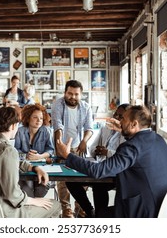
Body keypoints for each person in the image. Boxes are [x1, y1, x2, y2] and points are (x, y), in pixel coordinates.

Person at [56, 105, 167, 218]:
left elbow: (98, 171)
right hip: (164, 207)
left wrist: (68, 155)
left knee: (101, 215)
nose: (120, 122)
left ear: (134, 124)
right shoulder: (158, 139)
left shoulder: (131, 147)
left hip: (143, 211)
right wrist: (122, 130)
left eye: (123, 119)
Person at [0, 107, 61, 218]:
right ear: (13, 126)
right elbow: (13, 195)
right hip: (7, 210)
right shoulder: (7, 150)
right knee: (55, 205)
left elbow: (9, 161)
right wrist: (34, 201)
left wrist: (33, 168)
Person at [65, 103, 129, 217]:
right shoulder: (106, 128)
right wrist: (97, 150)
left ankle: (100, 216)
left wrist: (106, 152)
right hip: (99, 165)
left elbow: (123, 156)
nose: (116, 118)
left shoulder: (127, 135)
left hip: (115, 172)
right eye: (116, 114)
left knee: (99, 185)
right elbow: (93, 147)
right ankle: (90, 211)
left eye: (120, 116)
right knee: (71, 181)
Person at [51, 80, 94, 218]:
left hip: (78, 147)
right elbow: (58, 125)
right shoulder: (58, 104)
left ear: (81, 95)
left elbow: (89, 128)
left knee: (82, 179)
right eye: (70, 93)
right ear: (65, 93)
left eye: (76, 94)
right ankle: (66, 209)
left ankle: (80, 207)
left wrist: (84, 141)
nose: (73, 97)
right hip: (63, 147)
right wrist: (59, 144)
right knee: (63, 180)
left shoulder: (86, 107)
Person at [14, 104, 54, 197]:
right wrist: (26, 155)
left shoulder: (46, 130)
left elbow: (51, 149)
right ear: (28, 118)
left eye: (41, 117)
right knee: (28, 187)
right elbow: (15, 150)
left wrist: (40, 156)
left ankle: (35, 204)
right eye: (35, 117)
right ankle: (32, 204)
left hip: (42, 166)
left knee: (43, 185)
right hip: (25, 167)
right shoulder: (20, 131)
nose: (39, 120)